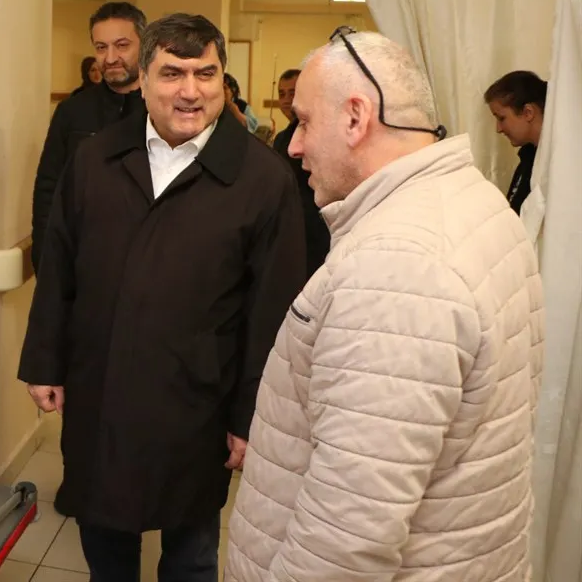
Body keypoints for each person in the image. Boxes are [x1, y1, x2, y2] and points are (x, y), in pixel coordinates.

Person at [225, 29, 545, 582]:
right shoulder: (475, 201)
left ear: (356, 117)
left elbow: (345, 538)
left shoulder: (396, 269)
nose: (294, 145)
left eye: (305, 122)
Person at [20, 13, 306, 582]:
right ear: (144, 81)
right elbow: (59, 267)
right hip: (101, 384)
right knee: (105, 541)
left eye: (206, 73)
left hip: (199, 399)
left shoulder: (262, 178)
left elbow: (272, 313)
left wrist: (251, 414)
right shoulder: (96, 159)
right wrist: (44, 360)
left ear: (223, 80)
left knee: (192, 551)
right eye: (172, 73)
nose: (190, 91)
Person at [31, 1, 147, 273]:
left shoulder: (164, 111)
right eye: (101, 47)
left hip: (148, 262)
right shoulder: (72, 111)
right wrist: (45, 261)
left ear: (145, 45)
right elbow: (49, 188)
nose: (110, 58)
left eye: (122, 45)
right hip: (85, 262)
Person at [271, 68, 330, 279]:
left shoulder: (320, 134)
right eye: (281, 94)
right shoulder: (281, 138)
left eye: (292, 93)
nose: (286, 100)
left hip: (315, 223)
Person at [484, 70, 548, 213]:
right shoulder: (528, 158)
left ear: (528, 113)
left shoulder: (559, 161)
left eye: (502, 118)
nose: (498, 129)